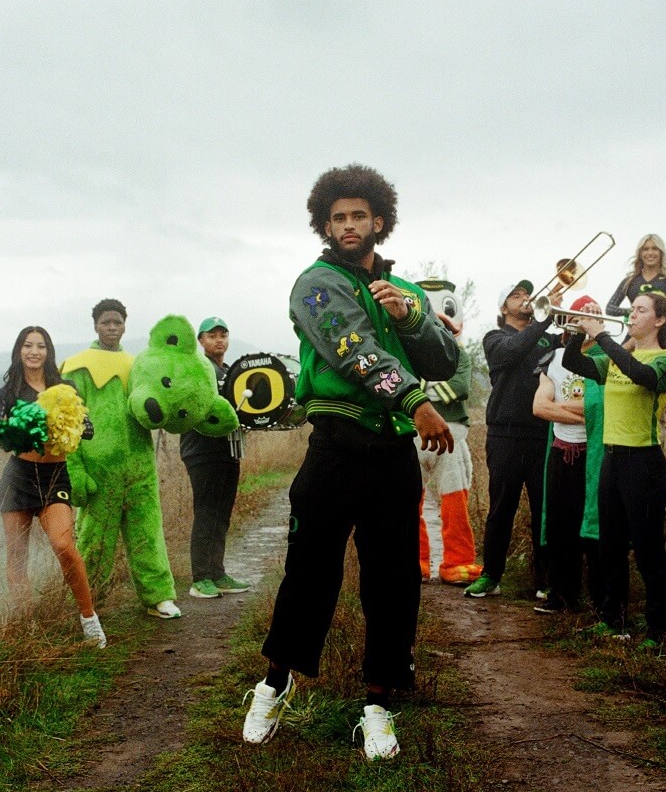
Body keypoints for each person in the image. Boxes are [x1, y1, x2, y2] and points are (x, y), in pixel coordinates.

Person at [241, 164, 459, 760]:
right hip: (336, 448)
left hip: (392, 456)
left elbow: (446, 359)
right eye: (338, 217)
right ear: (325, 224)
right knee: (309, 572)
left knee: (393, 580)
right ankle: (274, 685)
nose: (348, 225)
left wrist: (412, 318)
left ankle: (379, 704)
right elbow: (349, 348)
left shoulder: (405, 291)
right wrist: (415, 402)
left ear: (379, 221)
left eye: (359, 215)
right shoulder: (315, 285)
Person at [563, 291, 666, 644]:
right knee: (610, 545)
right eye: (631, 309)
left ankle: (659, 628)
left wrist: (601, 335)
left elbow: (641, 376)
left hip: (643, 462)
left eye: (640, 310)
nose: (632, 315)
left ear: (659, 320)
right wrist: (577, 335)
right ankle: (612, 619)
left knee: (647, 548)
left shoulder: (665, 362)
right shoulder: (617, 356)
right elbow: (576, 365)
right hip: (612, 459)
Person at [0, 326, 106, 648]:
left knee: (64, 546)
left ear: (48, 352)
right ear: (19, 351)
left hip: (55, 477)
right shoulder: (9, 392)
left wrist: (60, 425)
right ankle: (26, 626)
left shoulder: (64, 388)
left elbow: (87, 429)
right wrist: (17, 429)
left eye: (40, 346)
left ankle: (89, 620)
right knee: (17, 557)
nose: (34, 351)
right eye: (27, 345)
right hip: (18, 478)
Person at [60, 300, 181, 620]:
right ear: (96, 325)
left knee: (148, 533)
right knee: (94, 540)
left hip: (140, 464)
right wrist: (74, 469)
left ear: (125, 325)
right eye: (105, 322)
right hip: (100, 468)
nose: (111, 327)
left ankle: (158, 596)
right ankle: (86, 603)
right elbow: (67, 419)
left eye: (117, 322)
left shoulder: (138, 364)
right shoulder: (76, 366)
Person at [464, 280, 563, 600]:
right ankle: (491, 575)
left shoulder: (547, 338)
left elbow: (571, 355)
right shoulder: (495, 338)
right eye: (516, 296)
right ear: (503, 307)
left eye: (527, 295)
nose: (525, 299)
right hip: (505, 434)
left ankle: (545, 580)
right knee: (501, 509)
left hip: (542, 433)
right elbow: (514, 350)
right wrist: (544, 320)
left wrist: (560, 315)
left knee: (544, 511)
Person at [532, 296, 605, 615]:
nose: (587, 320)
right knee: (560, 525)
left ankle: (600, 600)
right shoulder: (556, 357)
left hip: (595, 455)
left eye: (593, 315)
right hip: (561, 453)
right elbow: (539, 407)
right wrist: (581, 412)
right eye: (582, 314)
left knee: (591, 525)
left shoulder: (607, 358)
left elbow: (597, 407)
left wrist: (559, 408)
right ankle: (561, 595)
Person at [415, 282, 482, 587]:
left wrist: (421, 395)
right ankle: (415, 560)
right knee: (408, 499)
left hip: (450, 435)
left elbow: (461, 387)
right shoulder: (408, 353)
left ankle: (456, 560)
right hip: (412, 435)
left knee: (455, 495)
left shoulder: (460, 355)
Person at [179, 317, 250, 599]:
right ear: (201, 341)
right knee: (207, 512)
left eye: (223, 335)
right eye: (212, 336)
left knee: (222, 513)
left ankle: (217, 573)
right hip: (202, 450)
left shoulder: (228, 372)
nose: (218, 340)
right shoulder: (198, 369)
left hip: (228, 450)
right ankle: (200, 579)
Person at [606, 234, 666, 318]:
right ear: (640, 254)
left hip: (663, 329)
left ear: (661, 252)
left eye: (655, 249)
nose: (650, 253)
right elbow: (610, 308)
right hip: (636, 328)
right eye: (645, 249)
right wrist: (636, 311)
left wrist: (657, 314)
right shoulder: (629, 281)